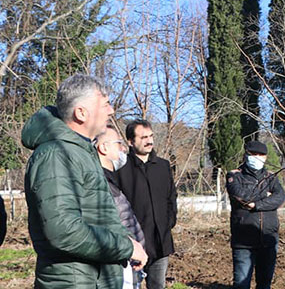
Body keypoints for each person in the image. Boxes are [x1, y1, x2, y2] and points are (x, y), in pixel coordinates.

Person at [22, 74, 147, 288]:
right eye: (105, 104)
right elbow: (63, 231)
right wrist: (125, 246)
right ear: (81, 113)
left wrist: (126, 239)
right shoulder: (56, 155)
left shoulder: (80, 151)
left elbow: (96, 215)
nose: (111, 110)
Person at [116, 119, 177, 289]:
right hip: (133, 243)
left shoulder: (163, 166)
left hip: (160, 242)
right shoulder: (121, 167)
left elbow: (171, 197)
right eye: (143, 137)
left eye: (151, 136)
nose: (149, 141)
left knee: (158, 285)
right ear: (130, 141)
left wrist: (169, 221)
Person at [226, 141, 285, 289]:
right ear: (246, 155)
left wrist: (257, 205)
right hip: (243, 239)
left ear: (265, 157)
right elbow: (240, 196)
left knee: (265, 284)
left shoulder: (271, 177)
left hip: (268, 237)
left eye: (261, 155)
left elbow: (280, 197)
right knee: (241, 283)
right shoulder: (235, 176)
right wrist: (266, 195)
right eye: (253, 154)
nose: (257, 158)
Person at [96, 126, 147, 289]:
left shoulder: (110, 181)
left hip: (128, 263)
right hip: (118, 268)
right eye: (118, 143)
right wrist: (130, 248)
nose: (124, 148)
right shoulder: (100, 184)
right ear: (103, 147)